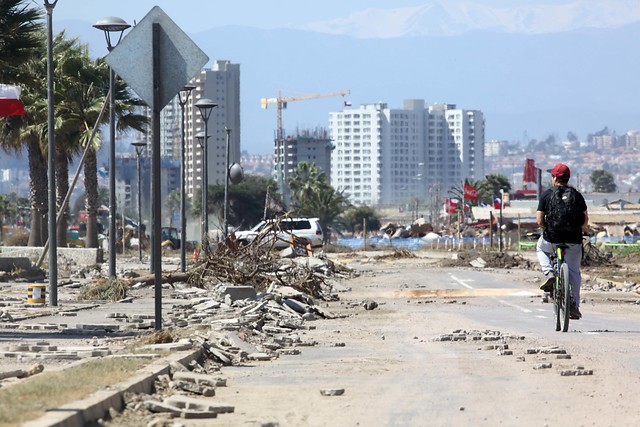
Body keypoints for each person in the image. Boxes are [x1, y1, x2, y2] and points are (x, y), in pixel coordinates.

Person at [536, 163, 589, 320]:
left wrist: (548, 227)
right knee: (574, 273)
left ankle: (549, 273)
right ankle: (574, 306)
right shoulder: (577, 195)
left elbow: (539, 220)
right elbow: (585, 218)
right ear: (568, 178)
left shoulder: (546, 195)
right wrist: (584, 229)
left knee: (540, 248)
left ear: (554, 178)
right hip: (573, 239)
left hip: (552, 239)